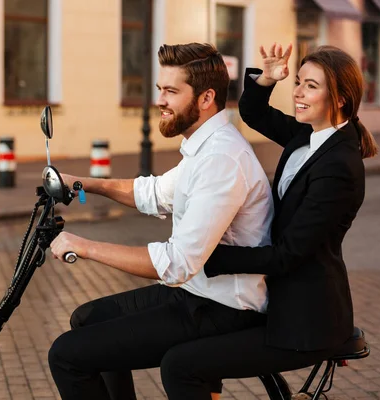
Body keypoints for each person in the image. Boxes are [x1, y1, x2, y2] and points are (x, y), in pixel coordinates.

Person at [47, 42, 274, 400]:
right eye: (160, 90)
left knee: (66, 356)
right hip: (196, 294)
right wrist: (80, 183)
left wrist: (85, 246)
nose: (161, 101)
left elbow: (178, 263)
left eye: (171, 91)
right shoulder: (204, 148)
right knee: (88, 318)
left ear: (205, 98)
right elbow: (151, 193)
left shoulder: (221, 159)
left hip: (222, 308)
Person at [158, 44, 379, 399]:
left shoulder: (339, 166)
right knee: (194, 348)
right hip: (277, 298)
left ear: (340, 99)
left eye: (311, 86)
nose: (298, 92)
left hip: (305, 317)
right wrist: (267, 78)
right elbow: (253, 111)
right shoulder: (308, 137)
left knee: (182, 365)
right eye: (299, 81)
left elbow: (287, 255)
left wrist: (208, 257)